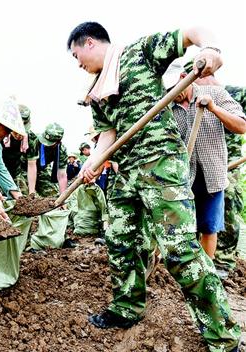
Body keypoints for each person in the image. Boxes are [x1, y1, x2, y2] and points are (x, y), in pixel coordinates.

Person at [67, 21, 240, 351]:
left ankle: (223, 335)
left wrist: (210, 50)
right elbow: (107, 135)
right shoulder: (99, 91)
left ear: (89, 43)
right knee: (121, 242)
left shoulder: (140, 53)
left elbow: (194, 30)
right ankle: (126, 307)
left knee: (179, 250)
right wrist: (94, 163)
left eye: (77, 56)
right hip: (127, 171)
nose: (79, 64)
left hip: (161, 164)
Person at [164, 61, 246, 260]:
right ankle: (186, 272)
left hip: (212, 176)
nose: (172, 94)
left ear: (184, 78)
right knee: (182, 228)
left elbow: (241, 126)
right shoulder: (166, 107)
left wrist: (213, 108)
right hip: (182, 177)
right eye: (167, 90)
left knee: (209, 227)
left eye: (174, 88)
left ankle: (207, 271)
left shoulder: (216, 94)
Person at [28, 123, 68, 197]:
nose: (46, 144)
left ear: (58, 142)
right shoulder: (35, 141)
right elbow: (31, 166)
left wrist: (63, 198)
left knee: (52, 195)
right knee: (25, 195)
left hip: (42, 170)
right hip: (25, 169)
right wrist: (31, 192)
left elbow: (62, 175)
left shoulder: (62, 150)